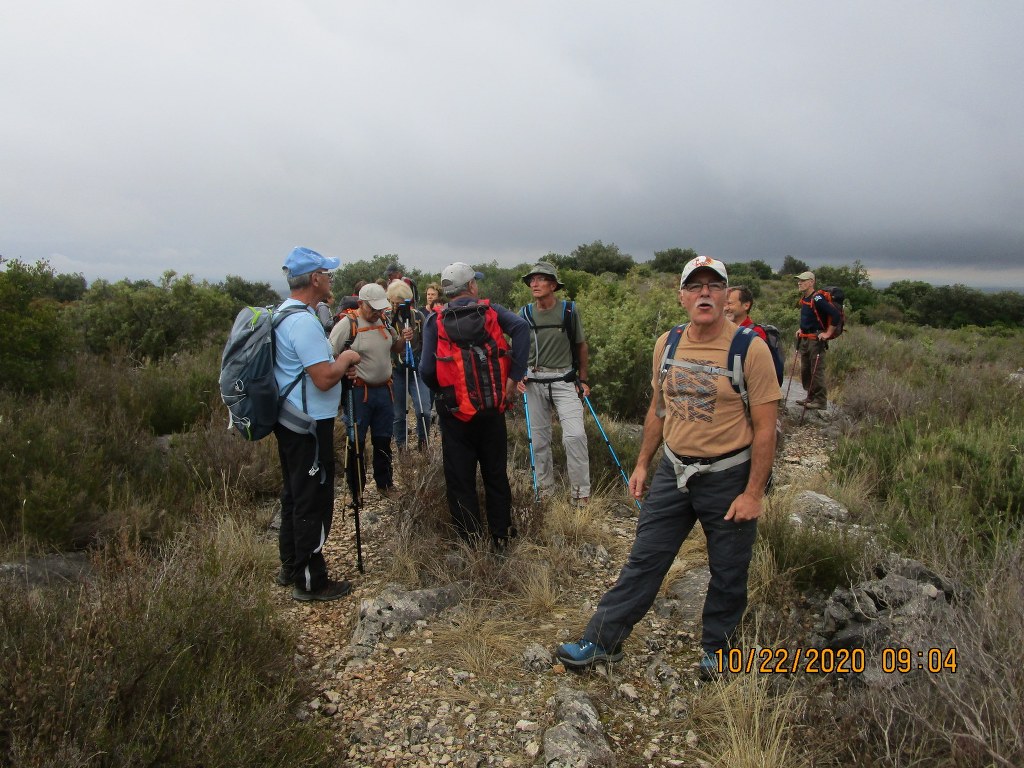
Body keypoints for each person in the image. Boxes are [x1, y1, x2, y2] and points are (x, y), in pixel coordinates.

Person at [556, 256, 781, 678]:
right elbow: (659, 408)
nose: (705, 294)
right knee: (644, 559)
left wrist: (753, 494)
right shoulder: (668, 343)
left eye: (714, 286)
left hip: (728, 476)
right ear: (682, 297)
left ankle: (720, 652)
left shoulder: (750, 349)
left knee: (729, 570)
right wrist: (643, 463)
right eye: (695, 287)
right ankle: (602, 640)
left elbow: (766, 430)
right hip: (673, 473)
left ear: (727, 297)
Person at [420, 262, 529, 547]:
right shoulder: (493, 312)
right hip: (493, 406)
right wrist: (512, 378)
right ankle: (501, 534)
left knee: (460, 476)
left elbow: (426, 369)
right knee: (495, 471)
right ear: (471, 286)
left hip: (455, 412)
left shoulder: (435, 320)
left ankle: (469, 539)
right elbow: (521, 329)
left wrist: (446, 392)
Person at [274, 246, 361, 602]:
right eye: (326, 273)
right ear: (314, 279)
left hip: (291, 420)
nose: (330, 279)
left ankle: (291, 566)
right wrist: (346, 359)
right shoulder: (303, 322)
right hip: (309, 425)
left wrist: (338, 368)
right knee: (311, 497)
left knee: (294, 494)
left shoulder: (283, 314)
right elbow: (324, 378)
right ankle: (310, 581)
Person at [515, 261, 591, 503]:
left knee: (575, 436)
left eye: (541, 279)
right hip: (533, 381)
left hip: (565, 379)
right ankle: (545, 494)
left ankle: (580, 496)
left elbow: (581, 345)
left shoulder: (569, 311)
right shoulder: (524, 314)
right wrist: (518, 374)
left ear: (553, 284)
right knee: (538, 440)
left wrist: (584, 380)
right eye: (532, 280)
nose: (534, 284)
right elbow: (516, 347)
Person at [329, 282, 411, 497]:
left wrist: (404, 338)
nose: (376, 313)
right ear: (360, 303)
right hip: (358, 393)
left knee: (383, 439)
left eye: (379, 308)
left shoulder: (384, 320)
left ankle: (385, 484)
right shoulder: (348, 324)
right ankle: (356, 489)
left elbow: (396, 346)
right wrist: (343, 367)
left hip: (384, 390)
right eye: (372, 308)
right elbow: (328, 354)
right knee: (355, 441)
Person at [388, 279, 432, 449]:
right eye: (393, 302)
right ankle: (401, 447)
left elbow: (425, 342)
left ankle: (423, 443)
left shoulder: (418, 317)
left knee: (424, 411)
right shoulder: (386, 318)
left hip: (417, 367)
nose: (395, 306)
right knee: (399, 414)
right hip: (396, 370)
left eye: (399, 303)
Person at [795, 271, 841, 410]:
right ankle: (810, 396)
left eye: (803, 280)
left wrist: (828, 333)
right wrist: (800, 329)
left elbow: (835, 315)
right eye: (799, 280)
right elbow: (810, 317)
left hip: (816, 339)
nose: (799, 283)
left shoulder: (817, 298)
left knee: (816, 370)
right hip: (805, 338)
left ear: (811, 282)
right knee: (806, 369)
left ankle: (820, 401)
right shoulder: (805, 298)